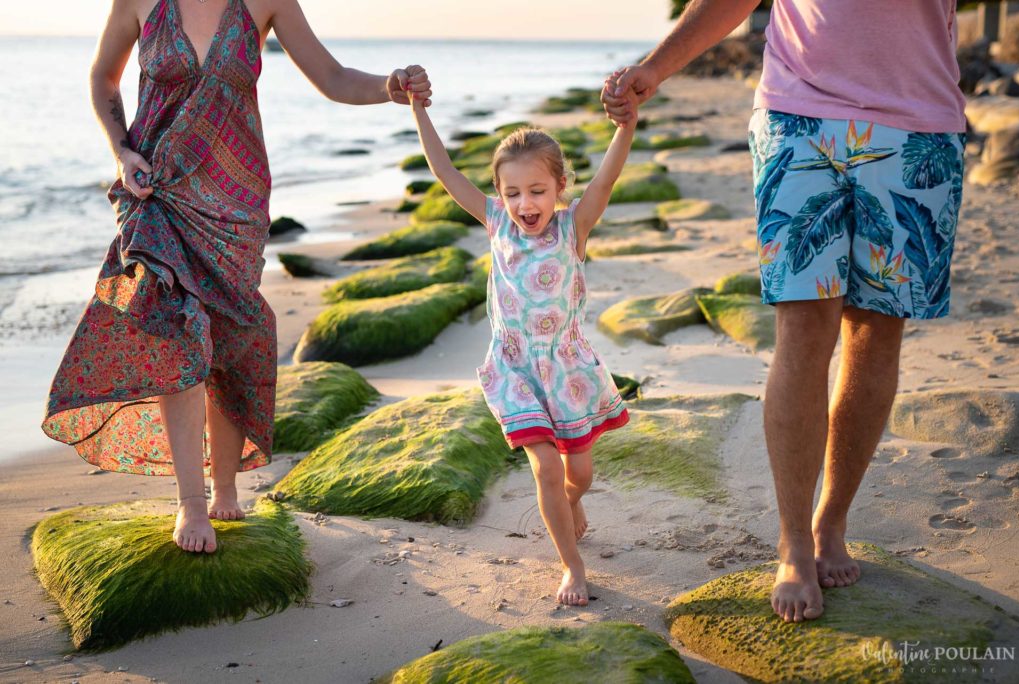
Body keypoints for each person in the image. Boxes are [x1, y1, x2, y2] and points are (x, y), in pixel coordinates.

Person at [602, 0, 966, 622]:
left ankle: (831, 521)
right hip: (798, 116)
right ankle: (794, 540)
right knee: (803, 330)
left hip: (919, 123)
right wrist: (657, 68)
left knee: (875, 335)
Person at [41, 0, 432, 555]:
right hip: (159, 187)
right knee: (178, 332)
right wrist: (122, 149)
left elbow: (333, 76)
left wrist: (391, 87)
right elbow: (104, 77)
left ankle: (224, 483)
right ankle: (192, 502)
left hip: (235, 199)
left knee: (227, 335)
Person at [407, 87, 639, 605]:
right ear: (499, 194)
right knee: (546, 468)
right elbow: (445, 173)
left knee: (579, 474)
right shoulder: (494, 223)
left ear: (559, 187)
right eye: (512, 193)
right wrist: (420, 110)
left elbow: (608, 178)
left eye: (536, 191)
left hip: (567, 366)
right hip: (514, 368)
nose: (524, 204)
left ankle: (570, 503)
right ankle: (572, 568)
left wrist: (625, 126)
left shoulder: (573, 226)